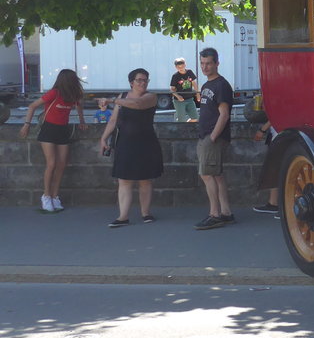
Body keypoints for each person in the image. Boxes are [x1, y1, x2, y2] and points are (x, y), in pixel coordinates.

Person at [99, 68, 164, 228]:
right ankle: (123, 216)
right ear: (131, 82)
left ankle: (146, 213)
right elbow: (113, 120)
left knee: (145, 180)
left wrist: (112, 101)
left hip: (146, 142)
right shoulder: (122, 97)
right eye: (139, 80)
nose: (142, 83)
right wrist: (103, 138)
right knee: (124, 180)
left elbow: (137, 104)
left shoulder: (151, 96)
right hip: (125, 142)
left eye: (145, 80)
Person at [18, 68, 86, 213]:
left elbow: (79, 107)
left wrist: (82, 121)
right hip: (48, 129)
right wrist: (26, 124)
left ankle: (55, 196)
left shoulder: (74, 94)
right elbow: (32, 106)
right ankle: (46, 196)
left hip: (63, 130)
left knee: (62, 164)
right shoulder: (54, 93)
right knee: (52, 163)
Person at [195, 47, 235, 230]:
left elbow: (224, 114)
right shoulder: (205, 86)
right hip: (206, 136)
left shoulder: (221, 85)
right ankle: (226, 213)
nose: (205, 67)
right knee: (217, 175)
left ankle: (214, 214)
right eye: (202, 63)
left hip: (213, 138)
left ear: (217, 63)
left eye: (209, 63)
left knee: (207, 174)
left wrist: (212, 137)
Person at [252, 116, 280, 216]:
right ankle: (273, 203)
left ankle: (279, 204)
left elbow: (278, 113)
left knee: (278, 170)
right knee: (275, 170)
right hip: (277, 134)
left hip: (280, 134)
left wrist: (262, 129)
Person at [170, 57, 200, 122]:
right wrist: (178, 96)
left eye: (182, 67)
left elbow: (194, 83)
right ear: (176, 67)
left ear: (185, 65)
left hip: (189, 99)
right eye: (178, 67)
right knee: (181, 120)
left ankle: (187, 124)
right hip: (179, 101)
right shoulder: (175, 76)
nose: (180, 69)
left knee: (195, 118)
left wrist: (197, 94)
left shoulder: (189, 72)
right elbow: (172, 89)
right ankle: (180, 129)